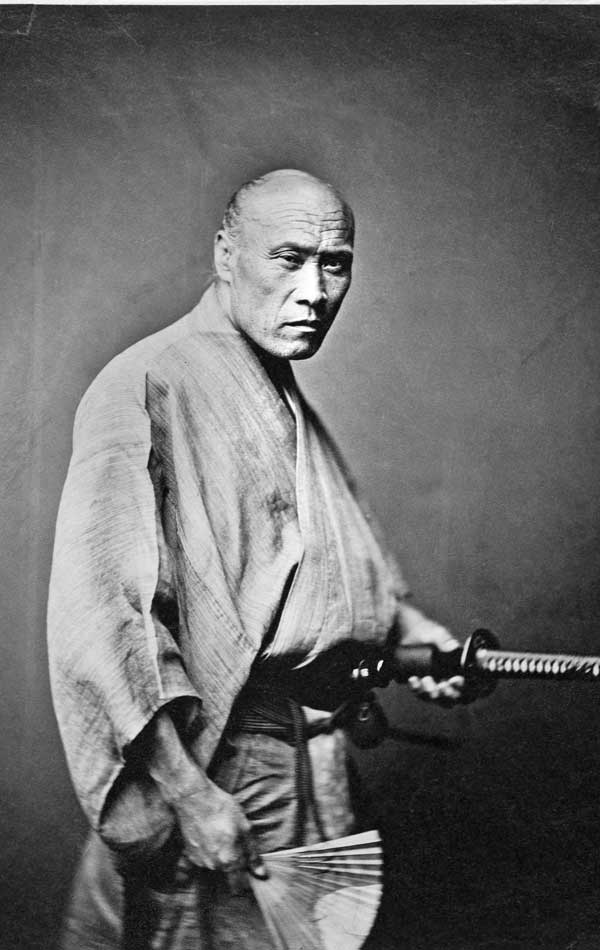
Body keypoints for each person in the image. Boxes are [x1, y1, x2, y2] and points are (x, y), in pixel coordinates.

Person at [47, 169, 467, 949]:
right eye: (289, 258)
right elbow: (109, 619)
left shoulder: (274, 389)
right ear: (225, 254)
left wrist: (417, 636)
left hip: (302, 746)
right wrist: (189, 795)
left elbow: (331, 566)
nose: (314, 291)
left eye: (334, 264)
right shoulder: (148, 382)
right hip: (214, 757)